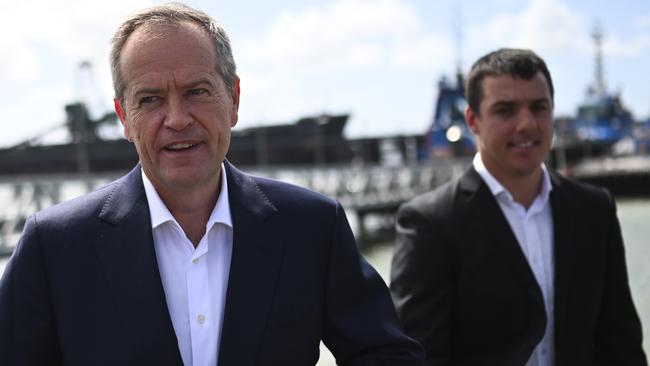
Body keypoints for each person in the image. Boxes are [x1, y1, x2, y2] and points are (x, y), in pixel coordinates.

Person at [0, 3, 423, 365]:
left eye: (197, 91)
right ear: (123, 117)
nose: (178, 118)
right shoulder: (53, 246)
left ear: (234, 100)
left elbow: (385, 355)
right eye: (149, 100)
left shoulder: (312, 226)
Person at [390, 48, 647, 365]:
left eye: (539, 107)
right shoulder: (430, 223)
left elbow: (620, 341)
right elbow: (419, 355)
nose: (526, 124)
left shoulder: (594, 209)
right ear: (473, 120)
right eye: (505, 110)